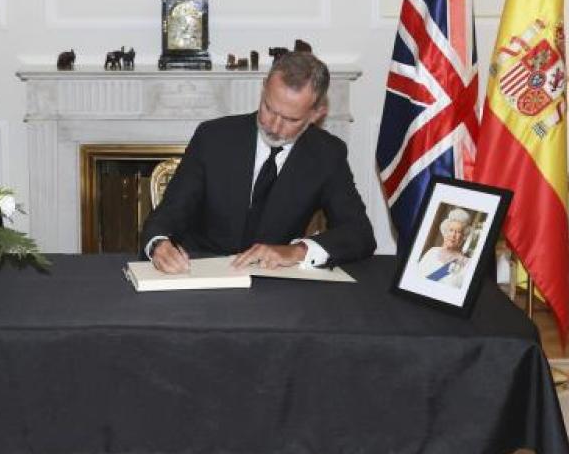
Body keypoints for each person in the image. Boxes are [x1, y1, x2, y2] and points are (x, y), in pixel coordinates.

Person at [142, 52, 376, 274]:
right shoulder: (213, 138)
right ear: (264, 87)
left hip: (274, 280)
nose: (274, 127)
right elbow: (169, 213)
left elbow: (359, 233)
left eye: (290, 119)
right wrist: (159, 244)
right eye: (269, 108)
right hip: (202, 272)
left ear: (317, 114)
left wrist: (297, 251)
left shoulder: (327, 154)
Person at [417, 208, 472, 288]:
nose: (453, 235)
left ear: (463, 236)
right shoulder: (432, 251)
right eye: (451, 230)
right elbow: (416, 275)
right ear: (445, 232)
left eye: (458, 232)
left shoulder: (467, 263)